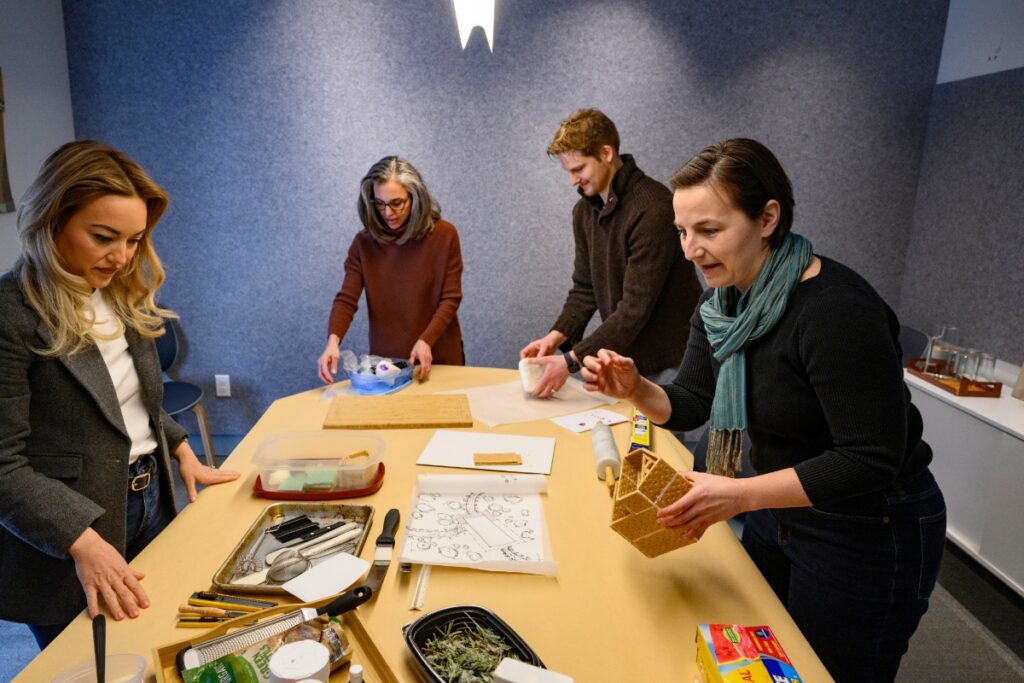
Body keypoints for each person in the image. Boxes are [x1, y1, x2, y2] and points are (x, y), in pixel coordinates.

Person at [582, 138, 946, 682]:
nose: (690, 250)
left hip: (869, 523)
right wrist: (635, 389)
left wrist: (739, 494)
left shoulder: (836, 311)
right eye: (682, 231)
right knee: (772, 659)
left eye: (709, 230)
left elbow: (870, 458)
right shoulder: (721, 303)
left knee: (832, 671)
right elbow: (691, 402)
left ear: (768, 218)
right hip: (780, 507)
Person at [0, 141, 240, 649]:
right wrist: (80, 539)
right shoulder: (10, 313)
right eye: (104, 237)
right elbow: (3, 466)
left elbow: (129, 401)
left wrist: (179, 446)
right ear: (50, 221)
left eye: (134, 240)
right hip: (68, 531)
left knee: (160, 647)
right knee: (91, 662)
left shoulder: (117, 291)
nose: (123, 256)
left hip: (150, 498)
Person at [520, 108, 702, 398]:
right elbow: (585, 289)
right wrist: (554, 338)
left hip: (671, 359)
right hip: (627, 353)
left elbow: (634, 308)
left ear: (606, 153)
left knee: (658, 428)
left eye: (579, 169)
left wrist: (570, 361)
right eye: (568, 171)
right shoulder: (584, 212)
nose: (572, 181)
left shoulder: (653, 208)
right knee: (629, 427)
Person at [318, 156, 464, 383]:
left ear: (415, 197)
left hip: (439, 358)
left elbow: (450, 298)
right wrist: (333, 341)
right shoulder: (363, 244)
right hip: (388, 366)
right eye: (380, 203)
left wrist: (426, 340)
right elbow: (346, 299)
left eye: (397, 203)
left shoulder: (444, 235)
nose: (388, 212)